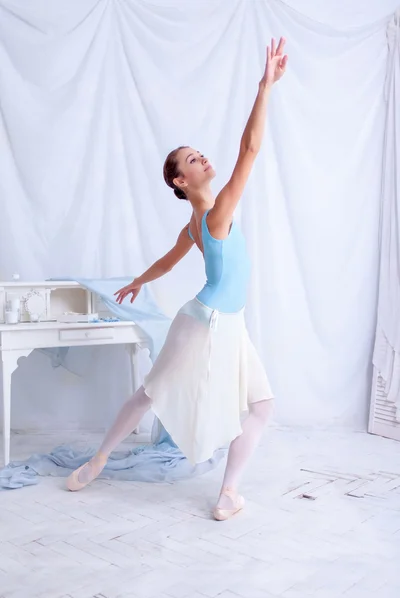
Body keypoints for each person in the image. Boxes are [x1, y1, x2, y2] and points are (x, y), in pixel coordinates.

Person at [67, 38, 288, 520]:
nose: (203, 159)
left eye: (200, 153)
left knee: (263, 404)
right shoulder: (212, 214)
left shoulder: (200, 219)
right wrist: (265, 87)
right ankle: (97, 461)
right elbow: (250, 149)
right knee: (151, 392)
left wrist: (139, 281)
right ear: (179, 182)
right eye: (192, 160)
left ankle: (228, 493)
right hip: (204, 322)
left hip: (231, 323)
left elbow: (168, 262)